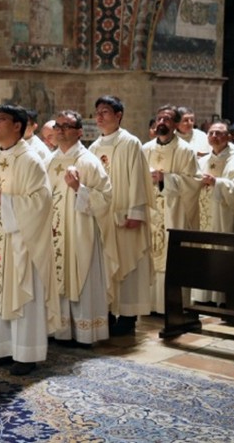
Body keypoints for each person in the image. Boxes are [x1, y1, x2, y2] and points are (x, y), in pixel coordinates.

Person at [0, 104, 59, 376]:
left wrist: (5, 200)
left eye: (2, 120)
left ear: (18, 126)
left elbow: (42, 202)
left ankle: (26, 353)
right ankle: (0, 349)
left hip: (23, 242)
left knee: (22, 294)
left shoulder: (30, 160)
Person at [88, 95, 154, 336]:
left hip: (126, 217)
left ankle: (127, 316)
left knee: (129, 264)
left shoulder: (131, 143)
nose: (99, 117)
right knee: (105, 264)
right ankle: (106, 312)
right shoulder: (93, 148)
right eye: (97, 112)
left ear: (118, 115)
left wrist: (136, 211)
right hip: (103, 218)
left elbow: (138, 178)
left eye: (105, 112)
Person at [46, 110, 113, 346]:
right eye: (58, 126)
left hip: (80, 233)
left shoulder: (89, 162)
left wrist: (79, 189)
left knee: (81, 277)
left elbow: (106, 199)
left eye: (66, 126)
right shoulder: (48, 161)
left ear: (79, 132)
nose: (61, 131)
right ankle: (59, 330)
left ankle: (84, 333)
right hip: (53, 233)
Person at [142, 105, 201, 315]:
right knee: (151, 254)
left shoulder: (185, 151)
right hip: (150, 212)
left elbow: (194, 182)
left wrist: (164, 179)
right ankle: (148, 305)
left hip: (174, 212)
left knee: (171, 257)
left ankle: (172, 306)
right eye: (159, 118)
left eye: (167, 119)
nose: (161, 122)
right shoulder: (145, 149)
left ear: (175, 124)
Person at [193, 121, 234, 305]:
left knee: (223, 253)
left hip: (224, 216)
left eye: (219, 133)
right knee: (204, 252)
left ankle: (223, 298)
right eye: (211, 133)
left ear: (229, 137)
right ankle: (203, 296)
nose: (214, 136)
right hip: (204, 214)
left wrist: (217, 183)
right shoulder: (202, 161)